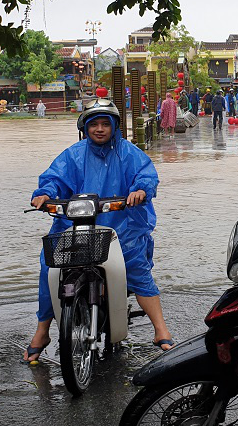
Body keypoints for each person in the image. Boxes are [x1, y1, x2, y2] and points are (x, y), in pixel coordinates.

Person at [24, 99, 172, 362]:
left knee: (137, 269)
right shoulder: (73, 154)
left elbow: (146, 175)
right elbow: (54, 178)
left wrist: (140, 190)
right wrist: (44, 194)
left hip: (122, 226)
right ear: (85, 127)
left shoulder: (129, 153)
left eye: (106, 124)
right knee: (50, 270)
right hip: (75, 226)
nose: (100, 129)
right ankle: (42, 331)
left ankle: (160, 329)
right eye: (95, 124)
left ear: (115, 127)